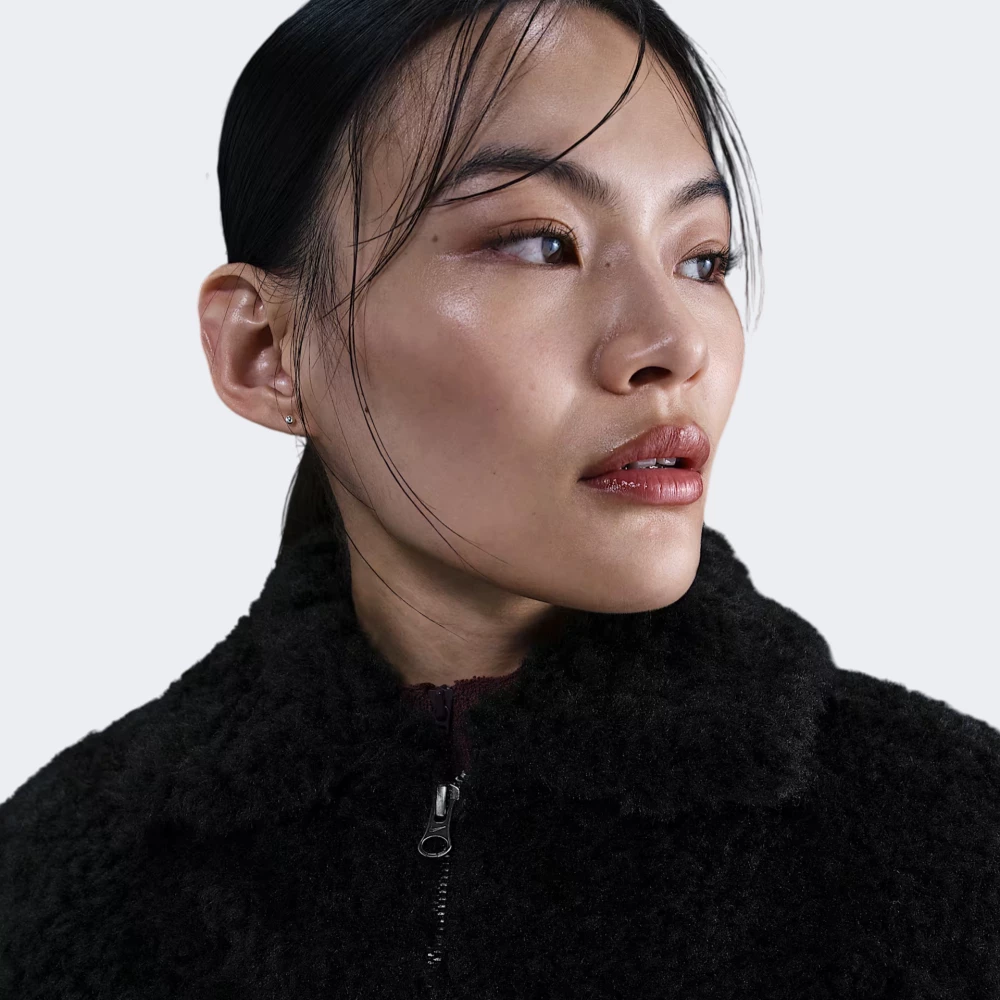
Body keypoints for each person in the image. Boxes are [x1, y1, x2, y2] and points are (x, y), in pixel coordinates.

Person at [2, 0, 998, 995]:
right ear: (266, 349)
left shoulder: (955, 843)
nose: (673, 344)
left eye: (701, 259)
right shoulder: (49, 886)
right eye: (538, 242)